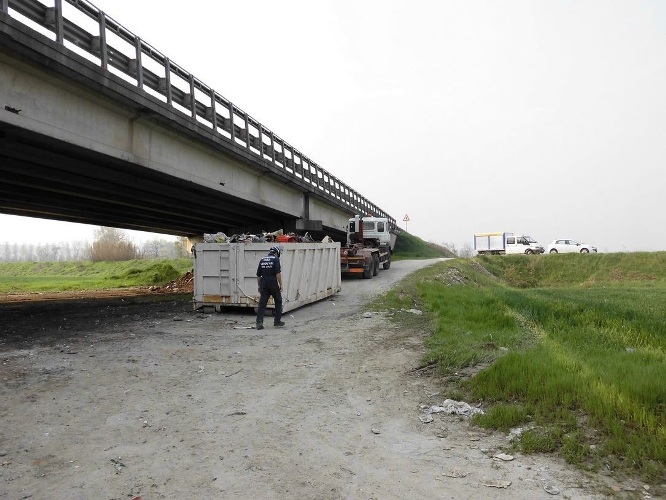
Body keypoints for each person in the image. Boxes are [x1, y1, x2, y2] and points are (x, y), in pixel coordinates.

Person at [255, 246, 285, 330]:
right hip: (272, 282)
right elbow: (277, 273)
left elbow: (258, 275)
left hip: (263, 282)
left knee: (262, 303)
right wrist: (281, 284)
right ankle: (277, 321)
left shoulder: (262, 259)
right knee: (278, 301)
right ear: (277, 253)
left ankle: (259, 323)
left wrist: (259, 286)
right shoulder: (275, 259)